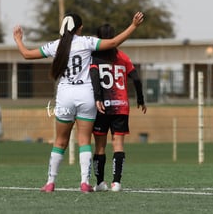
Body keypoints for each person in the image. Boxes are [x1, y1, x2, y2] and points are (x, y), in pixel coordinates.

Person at [13, 12, 144, 193]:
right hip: (86, 95)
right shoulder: (86, 42)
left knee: (60, 142)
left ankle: (50, 182)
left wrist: (19, 39)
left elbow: (27, 54)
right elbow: (113, 43)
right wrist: (133, 26)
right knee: (84, 141)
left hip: (65, 95)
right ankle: (84, 182)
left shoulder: (55, 45)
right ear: (80, 28)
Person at [90, 23, 147, 192]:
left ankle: (100, 183)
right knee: (118, 144)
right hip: (121, 106)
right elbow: (136, 79)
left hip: (102, 107)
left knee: (100, 146)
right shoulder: (123, 57)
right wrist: (141, 99)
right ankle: (116, 183)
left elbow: (94, 77)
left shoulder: (95, 57)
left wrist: (97, 97)